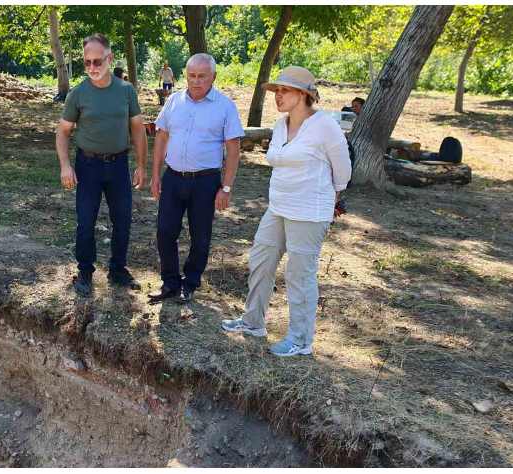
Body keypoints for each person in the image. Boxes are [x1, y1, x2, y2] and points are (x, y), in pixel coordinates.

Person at [221, 66, 351, 357]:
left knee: (299, 274)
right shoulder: (280, 125)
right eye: (276, 90)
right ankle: (254, 322)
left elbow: (342, 169)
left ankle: (301, 339)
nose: (277, 95)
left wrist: (334, 197)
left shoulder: (325, 126)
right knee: (261, 260)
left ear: (304, 95)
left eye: (285, 90)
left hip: (308, 211)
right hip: (278, 206)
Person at [56, 33, 147, 295]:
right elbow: (62, 131)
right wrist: (65, 165)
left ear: (110, 59)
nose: (92, 68)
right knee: (85, 222)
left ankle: (117, 269)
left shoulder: (126, 90)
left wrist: (142, 165)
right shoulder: (77, 93)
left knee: (123, 220)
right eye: (87, 62)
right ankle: (85, 271)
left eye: (97, 61)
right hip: (88, 166)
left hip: (119, 165)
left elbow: (138, 130)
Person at [148, 53, 244, 303]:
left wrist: (226, 187)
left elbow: (233, 149)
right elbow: (160, 138)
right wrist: (156, 174)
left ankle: (189, 283)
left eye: (202, 76)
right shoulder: (174, 102)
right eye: (192, 75)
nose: (196, 81)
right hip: (173, 178)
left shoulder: (225, 106)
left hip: (205, 182)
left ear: (213, 77)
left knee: (200, 237)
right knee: (165, 232)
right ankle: (169, 282)